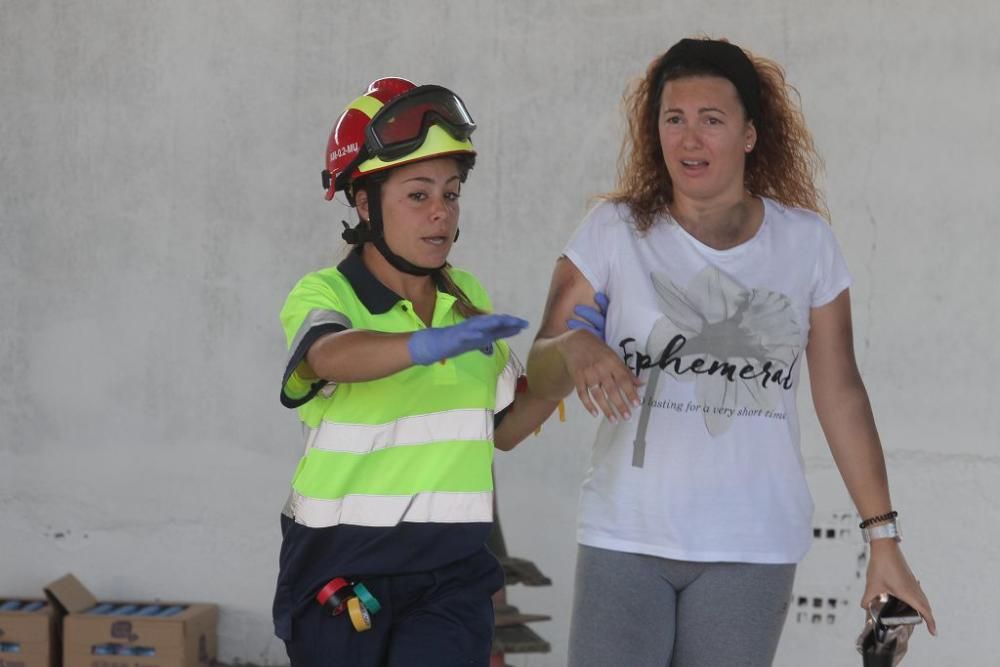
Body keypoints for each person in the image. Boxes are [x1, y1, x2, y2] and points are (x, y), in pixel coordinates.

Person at [526, 38, 936, 666]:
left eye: (710, 120)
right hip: (626, 534)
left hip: (752, 548)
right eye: (674, 119)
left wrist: (884, 539)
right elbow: (539, 369)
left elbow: (840, 391)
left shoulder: (806, 243)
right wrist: (576, 346)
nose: (689, 139)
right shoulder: (613, 233)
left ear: (749, 134)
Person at [272, 78, 561, 667]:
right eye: (418, 195)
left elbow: (503, 429)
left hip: (450, 574)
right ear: (364, 201)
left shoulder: (467, 298)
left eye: (452, 194)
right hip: (342, 568)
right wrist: (429, 343)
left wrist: (569, 363)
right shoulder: (326, 293)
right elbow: (327, 356)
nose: (441, 213)